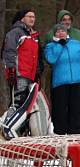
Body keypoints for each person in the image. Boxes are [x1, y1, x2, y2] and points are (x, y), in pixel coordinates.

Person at [44, 23, 80, 135]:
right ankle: (60, 133)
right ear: (54, 34)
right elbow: (51, 59)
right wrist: (60, 45)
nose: (61, 33)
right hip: (60, 83)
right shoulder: (50, 46)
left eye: (63, 31)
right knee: (60, 110)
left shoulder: (77, 44)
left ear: (67, 33)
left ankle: (76, 133)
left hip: (77, 81)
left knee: (77, 109)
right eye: (58, 31)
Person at [2, 9, 42, 139]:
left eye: (34, 17)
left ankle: (20, 131)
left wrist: (37, 71)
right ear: (22, 18)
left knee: (27, 106)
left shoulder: (34, 36)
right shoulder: (15, 33)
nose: (32, 19)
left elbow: (36, 57)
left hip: (30, 76)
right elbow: (8, 52)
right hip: (19, 74)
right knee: (17, 103)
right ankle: (6, 128)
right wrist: (11, 70)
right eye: (29, 16)